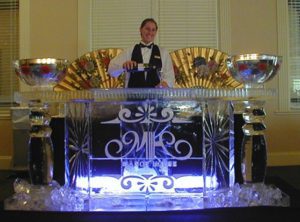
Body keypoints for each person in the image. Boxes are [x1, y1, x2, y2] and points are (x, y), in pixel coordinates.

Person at [108, 18, 175, 88]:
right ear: (140, 29)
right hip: (133, 96)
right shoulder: (130, 50)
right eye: (147, 29)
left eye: (153, 30)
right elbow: (111, 71)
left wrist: (164, 84)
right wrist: (123, 66)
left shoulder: (163, 52)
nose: (150, 32)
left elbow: (170, 76)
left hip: (156, 97)